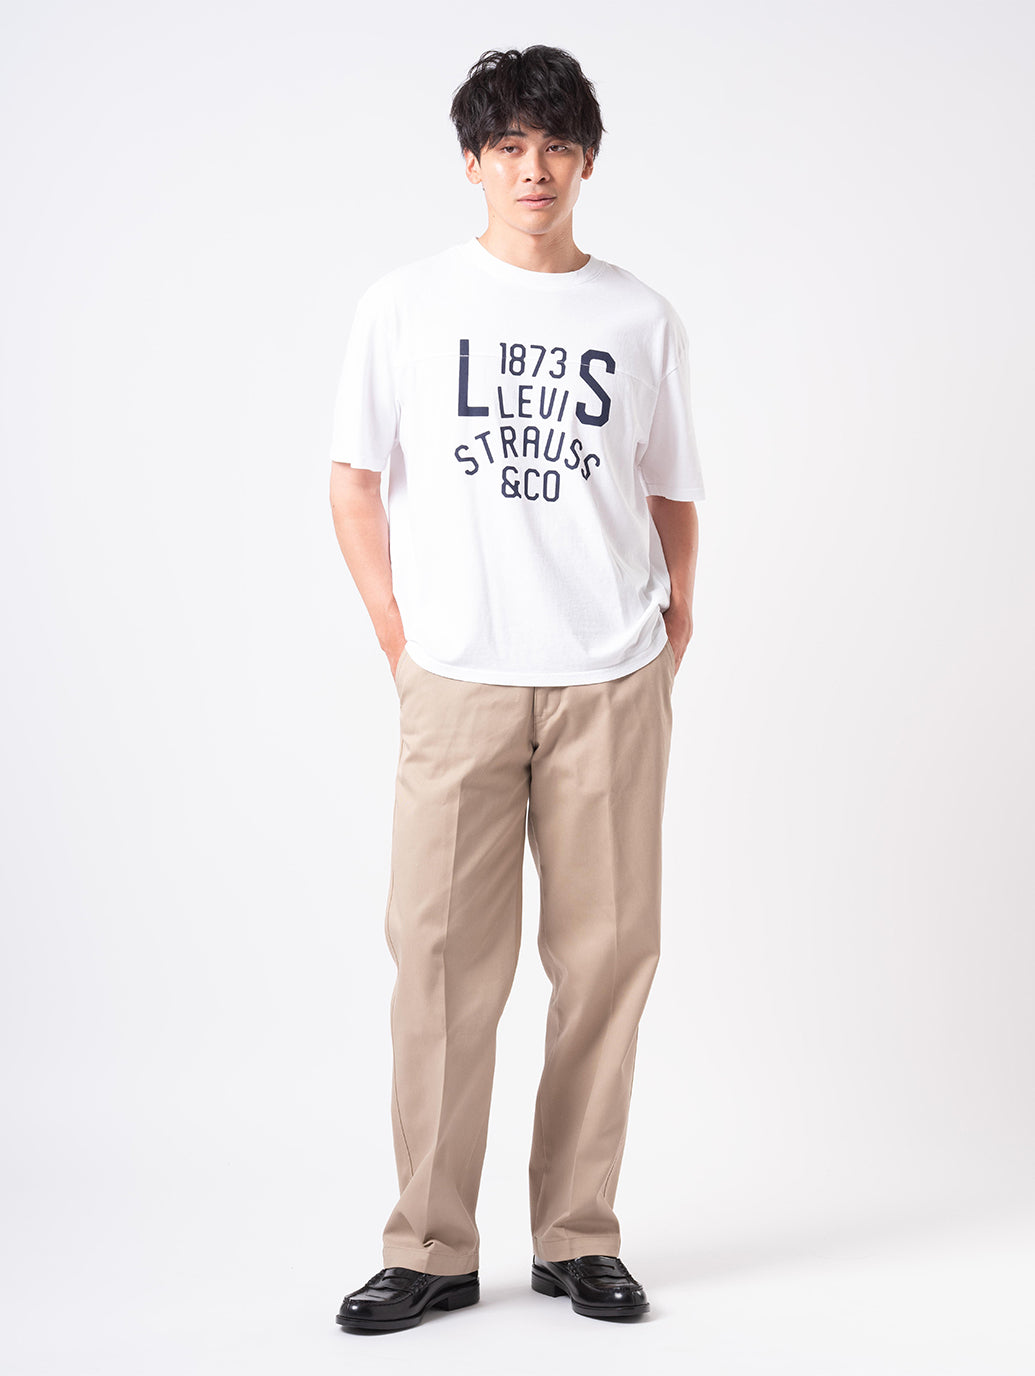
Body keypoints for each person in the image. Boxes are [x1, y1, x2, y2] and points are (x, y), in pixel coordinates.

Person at [327, 44, 705, 1332]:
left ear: (587, 162)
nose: (532, 169)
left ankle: (577, 1237)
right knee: (439, 967)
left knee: (608, 960)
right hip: (459, 679)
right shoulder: (406, 305)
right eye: (508, 147)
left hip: (609, 678)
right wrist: (398, 638)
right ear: (473, 163)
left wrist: (675, 624)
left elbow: (671, 491)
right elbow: (353, 481)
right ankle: (430, 1246)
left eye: (555, 146)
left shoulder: (639, 318)